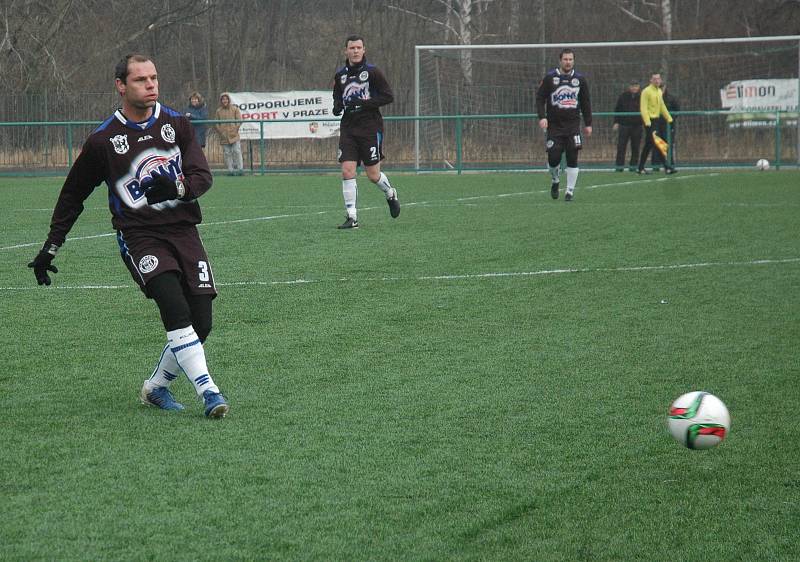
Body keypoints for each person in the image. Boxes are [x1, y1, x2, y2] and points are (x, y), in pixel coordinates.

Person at [26, 54, 229, 418]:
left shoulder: (177, 124)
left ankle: (156, 388)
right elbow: (73, 194)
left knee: (202, 321)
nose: (151, 85)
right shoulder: (104, 140)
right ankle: (209, 392)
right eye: (141, 80)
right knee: (175, 308)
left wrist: (179, 188)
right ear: (121, 86)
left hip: (184, 231)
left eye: (154, 78)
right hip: (140, 236)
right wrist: (51, 247)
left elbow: (202, 176)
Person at [332, 34, 399, 229]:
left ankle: (390, 193)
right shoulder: (340, 74)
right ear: (346, 50)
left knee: (372, 174)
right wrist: (337, 106)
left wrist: (364, 103)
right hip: (348, 128)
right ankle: (352, 217)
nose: (355, 51)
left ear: (364, 50)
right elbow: (337, 95)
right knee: (347, 170)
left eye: (358, 48)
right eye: (351, 48)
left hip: (370, 127)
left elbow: (388, 96)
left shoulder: (373, 72)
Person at [535, 48, 593, 202]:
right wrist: (542, 117)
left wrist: (588, 123)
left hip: (573, 126)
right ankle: (555, 180)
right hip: (554, 126)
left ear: (574, 61)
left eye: (570, 59)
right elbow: (540, 98)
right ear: (560, 61)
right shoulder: (550, 78)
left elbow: (586, 102)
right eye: (565, 59)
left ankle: (569, 191)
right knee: (553, 158)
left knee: (572, 157)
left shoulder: (580, 79)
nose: (568, 62)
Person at [637, 72, 675, 174]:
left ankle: (640, 167)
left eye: (658, 79)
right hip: (650, 121)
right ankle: (667, 166)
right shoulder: (646, 91)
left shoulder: (658, 91)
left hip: (656, 120)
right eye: (655, 79)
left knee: (649, 145)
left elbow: (662, 106)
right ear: (651, 80)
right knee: (658, 143)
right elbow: (643, 108)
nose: (657, 81)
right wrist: (647, 122)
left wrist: (669, 118)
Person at [612, 81, 642, 172]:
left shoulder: (642, 97)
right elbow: (617, 109)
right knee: (621, 146)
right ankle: (619, 167)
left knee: (635, 147)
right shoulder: (623, 96)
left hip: (637, 125)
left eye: (636, 86)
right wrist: (616, 122)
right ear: (629, 87)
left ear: (638, 87)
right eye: (632, 86)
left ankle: (633, 167)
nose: (634, 88)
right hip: (624, 125)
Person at [214, 92, 244, 175]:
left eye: (226, 99)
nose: (225, 101)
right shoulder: (218, 111)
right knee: (227, 153)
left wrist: (235, 130)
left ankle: (240, 169)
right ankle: (231, 170)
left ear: (229, 100)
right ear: (221, 101)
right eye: (223, 99)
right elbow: (216, 123)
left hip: (234, 135)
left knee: (237, 151)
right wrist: (220, 132)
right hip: (224, 136)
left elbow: (239, 120)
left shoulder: (235, 109)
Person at [659, 84, 680, 170]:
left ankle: (670, 164)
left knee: (669, 144)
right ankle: (656, 165)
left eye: (662, 87)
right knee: (657, 144)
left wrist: (671, 119)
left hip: (668, 125)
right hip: (657, 124)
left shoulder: (671, 98)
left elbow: (677, 110)